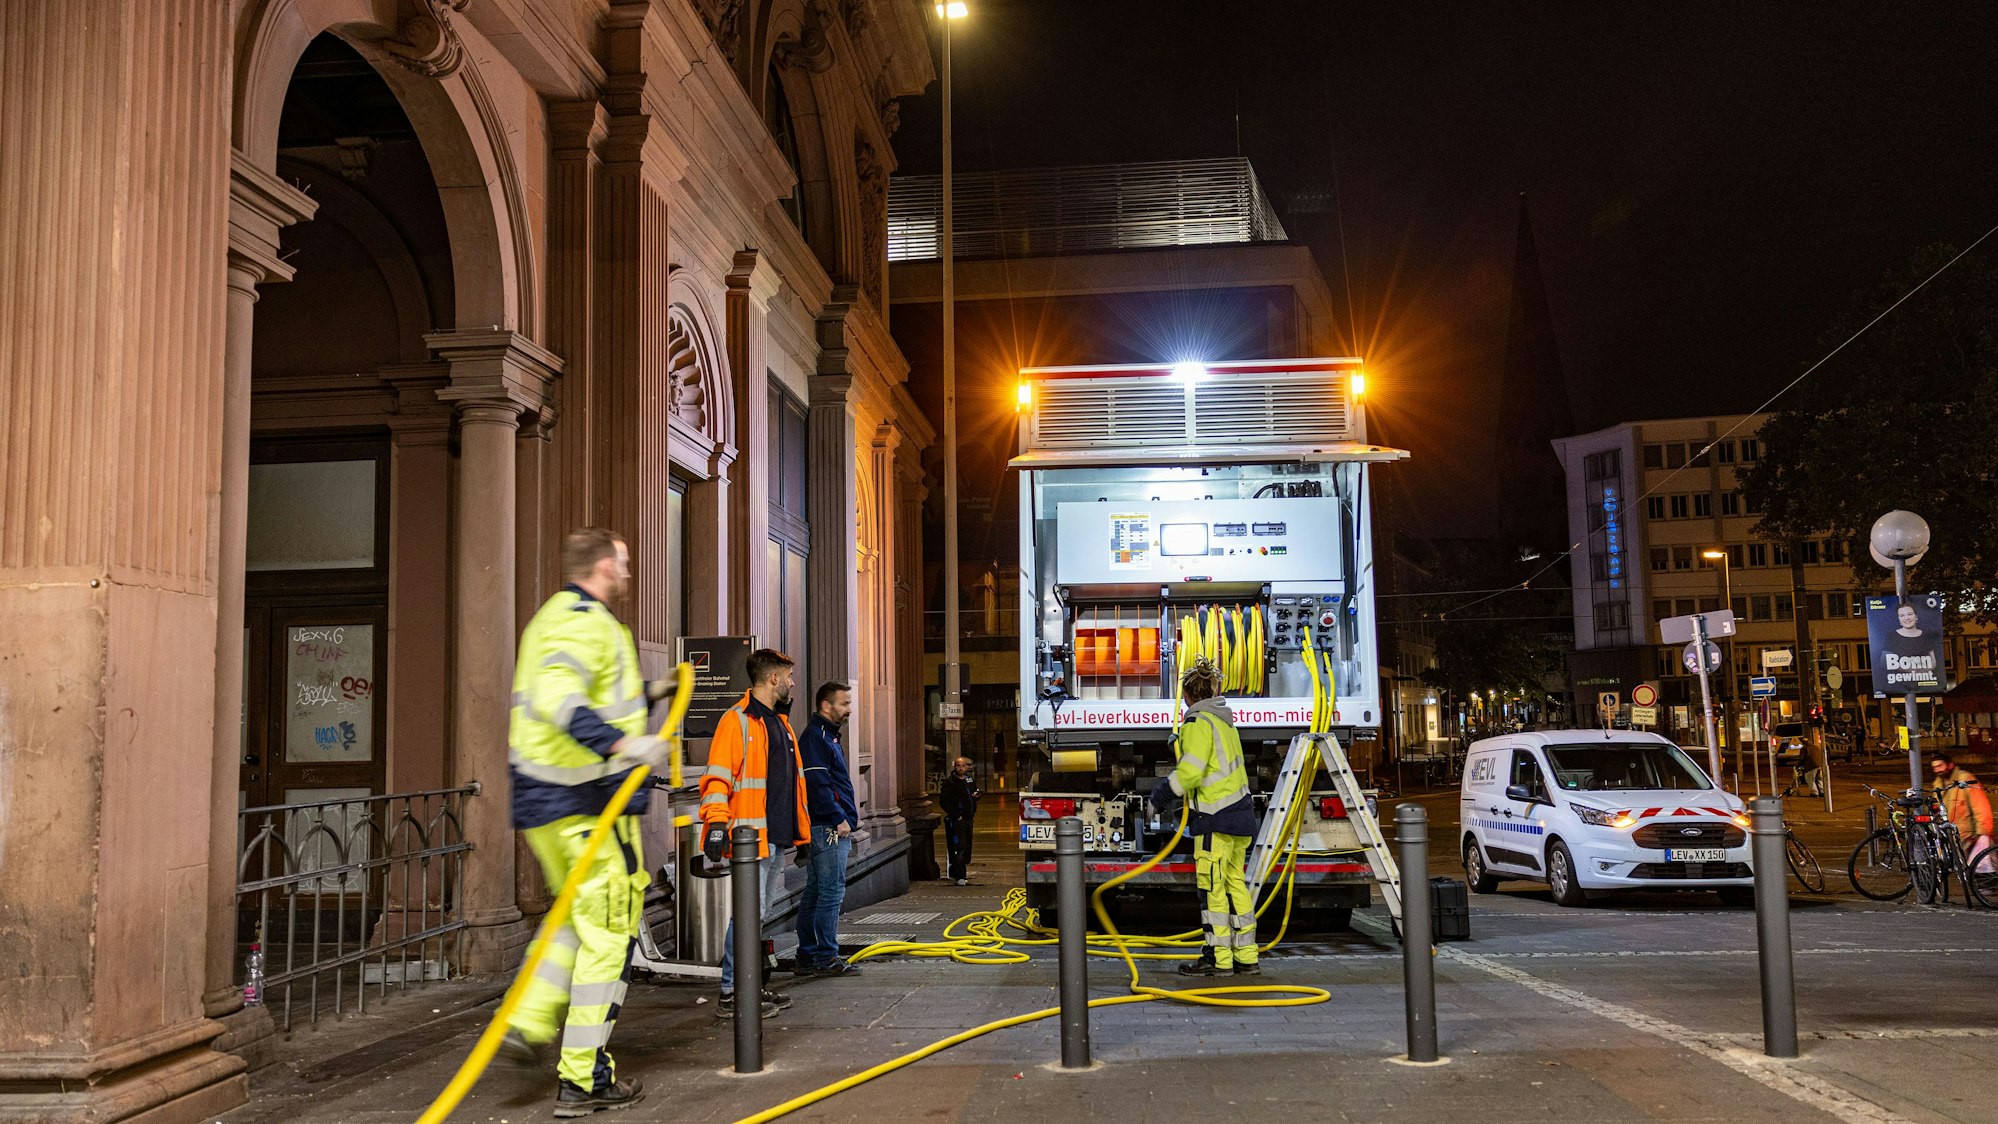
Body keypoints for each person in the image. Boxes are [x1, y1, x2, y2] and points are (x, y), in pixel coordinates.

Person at [502, 528, 680, 1117]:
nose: (630, 573)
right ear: (605, 566)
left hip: (554, 806)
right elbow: (560, 698)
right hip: (582, 808)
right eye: (625, 563)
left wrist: (656, 689)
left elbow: (597, 690)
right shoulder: (584, 620)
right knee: (609, 939)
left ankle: (527, 1019)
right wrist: (627, 746)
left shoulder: (561, 617)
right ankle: (582, 1080)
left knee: (575, 921)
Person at [701, 648, 809, 1017]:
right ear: (773, 678)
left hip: (774, 837)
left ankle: (750, 986)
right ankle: (733, 991)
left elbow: (793, 786)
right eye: (788, 675)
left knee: (758, 913)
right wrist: (716, 823)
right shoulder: (738, 721)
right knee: (748, 913)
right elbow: (718, 775)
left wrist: (802, 837)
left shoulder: (779, 723)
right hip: (750, 837)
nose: (793, 682)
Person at [1149, 657, 1260, 976]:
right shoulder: (1223, 722)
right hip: (1239, 817)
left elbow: (1192, 772)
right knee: (1235, 884)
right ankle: (1247, 956)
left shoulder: (1197, 724)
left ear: (1187, 696)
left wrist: (1159, 796)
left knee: (1211, 889)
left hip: (1215, 818)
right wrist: (1183, 744)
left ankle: (1219, 960)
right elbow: (1214, 764)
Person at [796, 681, 862, 976]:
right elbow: (817, 785)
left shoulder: (827, 737)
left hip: (826, 826)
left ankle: (808, 957)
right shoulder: (816, 738)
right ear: (826, 706)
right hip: (829, 828)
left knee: (816, 892)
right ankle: (825, 957)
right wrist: (839, 818)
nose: (849, 709)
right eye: (844, 703)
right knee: (831, 893)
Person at [1930, 753, 1994, 870]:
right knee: (1963, 871)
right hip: (1951, 837)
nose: (1938, 770)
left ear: (1950, 765)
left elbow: (1981, 808)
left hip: (1969, 836)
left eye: (1940, 766)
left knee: (1980, 870)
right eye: (1935, 767)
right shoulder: (1938, 784)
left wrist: (1982, 834)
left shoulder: (1965, 779)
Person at [939, 755, 980, 885]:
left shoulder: (969, 779)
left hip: (969, 818)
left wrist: (976, 796)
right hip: (958, 820)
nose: (961, 768)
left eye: (963, 766)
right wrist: (956, 815)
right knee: (959, 847)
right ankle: (960, 875)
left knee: (967, 846)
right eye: (958, 766)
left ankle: (957, 872)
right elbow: (944, 802)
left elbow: (975, 791)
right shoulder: (950, 782)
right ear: (954, 766)